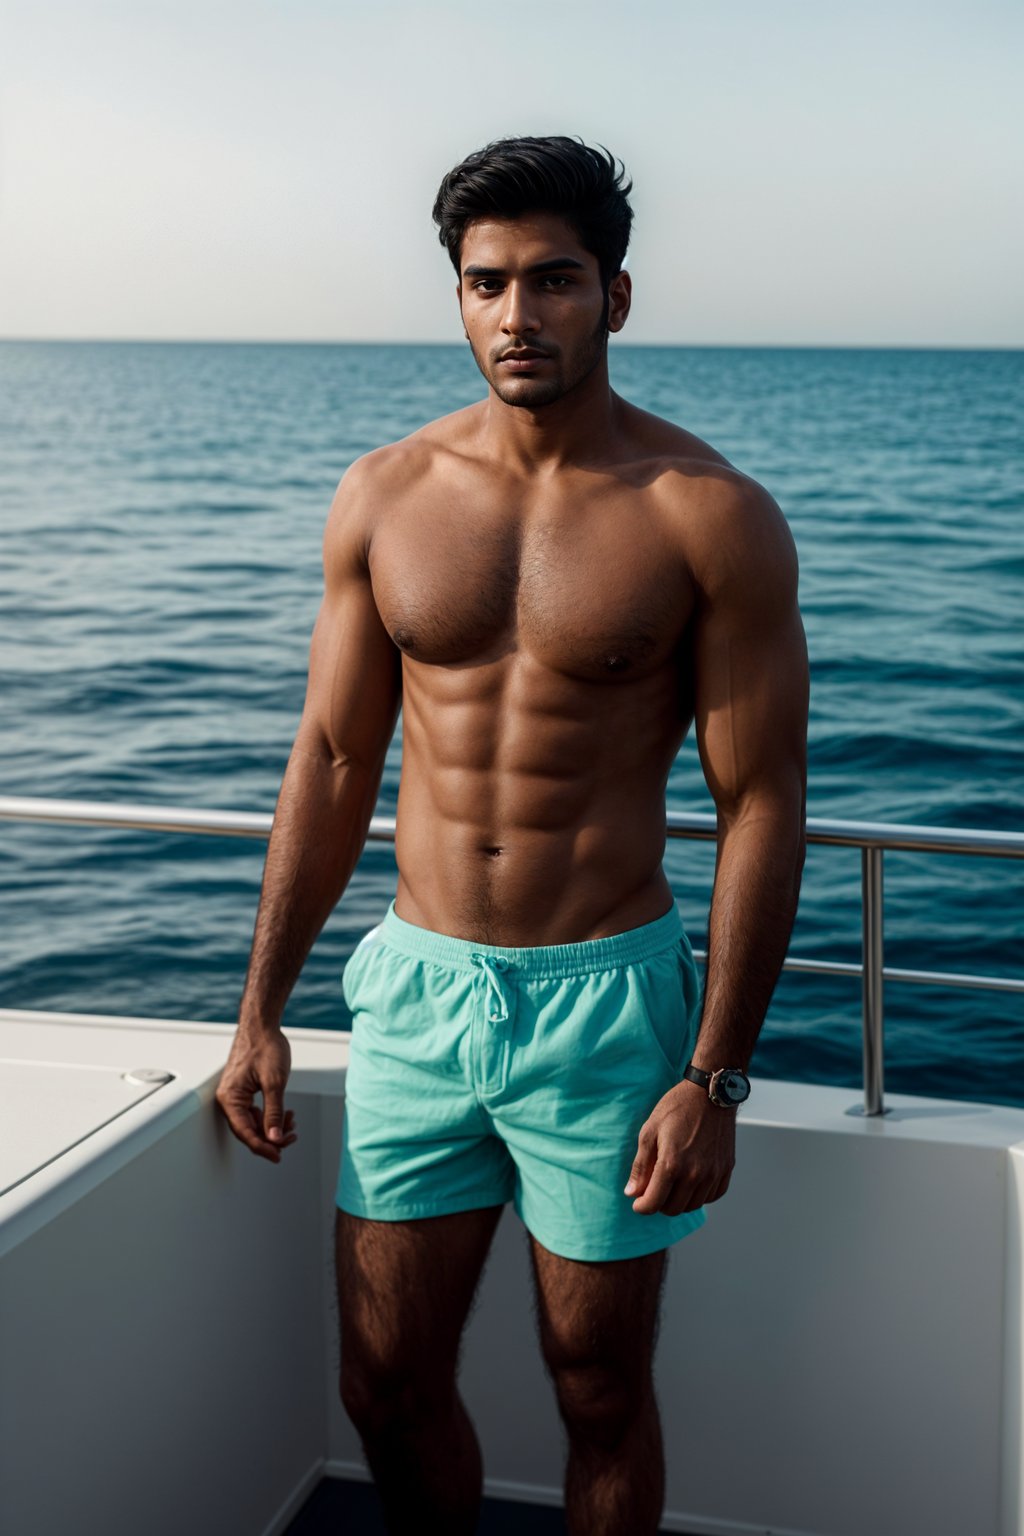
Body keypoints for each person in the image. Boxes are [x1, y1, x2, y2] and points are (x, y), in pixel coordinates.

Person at [215, 134, 808, 1536]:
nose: (517, 315)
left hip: (607, 1004)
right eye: (487, 284)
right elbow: (339, 757)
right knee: (381, 1380)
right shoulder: (387, 495)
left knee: (597, 1384)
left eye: (553, 281)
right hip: (421, 994)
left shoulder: (708, 517)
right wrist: (258, 1012)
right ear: (459, 296)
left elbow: (762, 803)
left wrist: (715, 1079)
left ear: (615, 294)